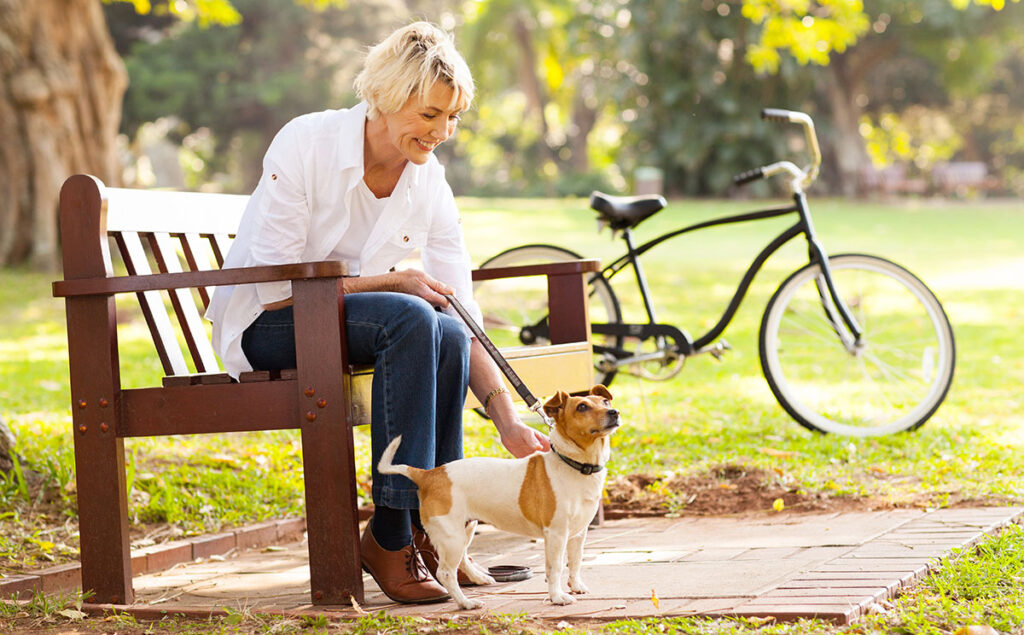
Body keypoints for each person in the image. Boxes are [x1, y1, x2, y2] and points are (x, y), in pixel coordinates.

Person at [206, 22, 550, 604]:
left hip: (351, 323)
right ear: (387, 99)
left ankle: (433, 528)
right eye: (430, 114)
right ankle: (390, 536)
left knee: (438, 324)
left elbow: (462, 313)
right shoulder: (306, 143)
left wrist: (506, 417)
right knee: (411, 316)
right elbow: (274, 287)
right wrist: (396, 279)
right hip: (267, 326)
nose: (442, 132)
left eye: (453, 117)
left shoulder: (428, 180)